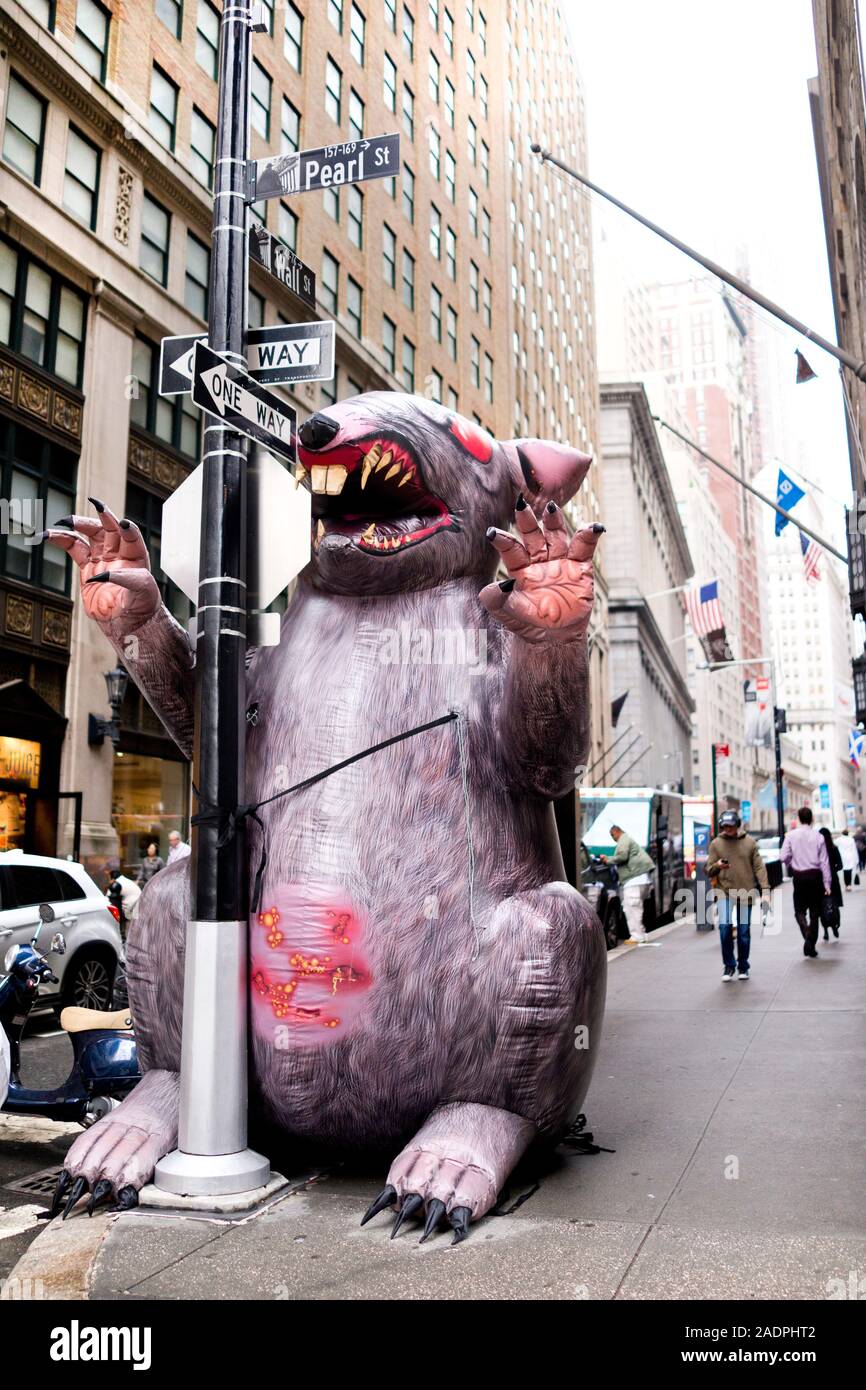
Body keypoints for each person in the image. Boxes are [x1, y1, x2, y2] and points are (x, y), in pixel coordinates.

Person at [706, 810, 768, 981]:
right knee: (725, 927)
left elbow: (759, 868)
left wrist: (765, 891)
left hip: (745, 892)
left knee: (743, 931)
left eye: (731, 826)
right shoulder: (716, 844)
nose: (728, 829)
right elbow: (708, 869)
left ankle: (743, 966)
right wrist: (717, 865)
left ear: (737, 825)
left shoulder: (749, 843)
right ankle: (729, 966)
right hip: (724, 891)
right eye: (725, 826)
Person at [780, 807, 832, 959]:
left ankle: (806, 931)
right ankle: (811, 944)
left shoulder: (790, 836)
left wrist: (792, 862)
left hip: (799, 877)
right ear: (812, 819)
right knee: (815, 913)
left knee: (799, 910)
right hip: (815, 877)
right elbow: (824, 862)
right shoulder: (819, 837)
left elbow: (783, 856)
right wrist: (827, 884)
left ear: (799, 818)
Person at [609, 823, 655, 943]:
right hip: (639, 878)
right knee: (634, 906)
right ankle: (640, 934)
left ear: (617, 831)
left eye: (612, 835)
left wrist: (608, 860)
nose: (612, 838)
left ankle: (637, 936)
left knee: (631, 907)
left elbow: (622, 856)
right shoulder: (627, 839)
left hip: (634, 878)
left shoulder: (623, 839)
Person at [818, 827, 842, 941]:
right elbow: (840, 865)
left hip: (821, 881)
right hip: (834, 881)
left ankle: (826, 931)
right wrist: (833, 870)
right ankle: (835, 925)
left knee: (822, 906)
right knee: (834, 904)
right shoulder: (834, 848)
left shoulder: (817, 850)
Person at [106, 866, 141, 934]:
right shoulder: (126, 880)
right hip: (137, 907)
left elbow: (107, 899)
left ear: (111, 877)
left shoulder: (116, 883)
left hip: (130, 910)